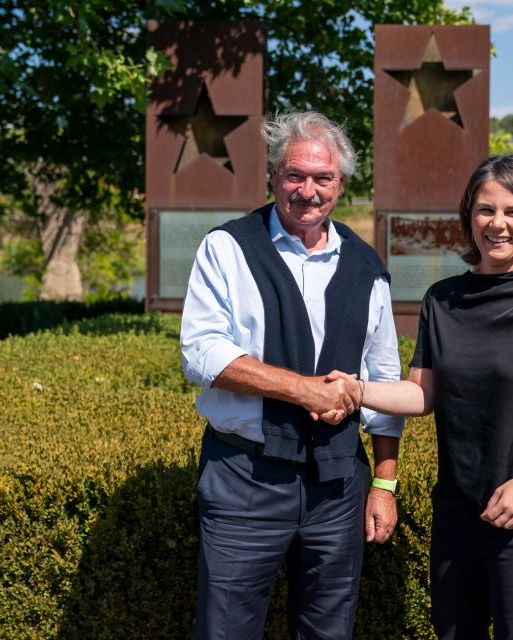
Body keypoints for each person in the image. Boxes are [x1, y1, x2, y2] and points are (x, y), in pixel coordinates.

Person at [327, 154, 513, 639]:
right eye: (485, 210)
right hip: (456, 514)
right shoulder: (442, 299)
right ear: (469, 218)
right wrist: (359, 389)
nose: (497, 224)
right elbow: (422, 394)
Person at [179, 111, 404, 640]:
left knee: (328, 631)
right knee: (226, 631)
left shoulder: (367, 266)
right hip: (245, 479)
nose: (308, 190)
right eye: (294, 175)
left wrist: (384, 483)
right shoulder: (227, 249)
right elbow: (201, 354)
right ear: (274, 177)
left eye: (322, 178)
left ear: (341, 184)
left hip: (338, 485)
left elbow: (384, 379)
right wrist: (304, 389)